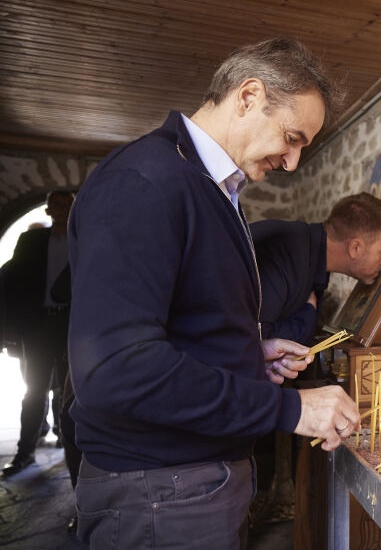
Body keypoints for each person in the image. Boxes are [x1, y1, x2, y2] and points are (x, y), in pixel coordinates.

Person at [66, 38, 358, 549]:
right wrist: (291, 410)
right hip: (159, 489)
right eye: (291, 138)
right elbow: (116, 370)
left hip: (190, 484)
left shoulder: (210, 187)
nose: (292, 163)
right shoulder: (146, 180)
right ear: (248, 96)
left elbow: (181, 323)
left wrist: (244, 354)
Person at [253, 192, 381, 343]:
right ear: (355, 248)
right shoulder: (284, 253)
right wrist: (306, 317)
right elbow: (254, 338)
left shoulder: (309, 251)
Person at [1, 190, 75, 477]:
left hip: (71, 325)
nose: (61, 209)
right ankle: (24, 453)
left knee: (69, 392)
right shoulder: (30, 241)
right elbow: (14, 286)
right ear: (47, 211)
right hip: (40, 325)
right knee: (33, 391)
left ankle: (71, 450)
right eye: (55, 204)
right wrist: (12, 331)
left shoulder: (83, 239)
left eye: (66, 204)